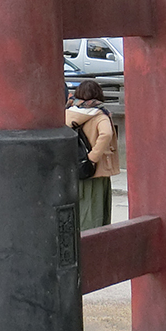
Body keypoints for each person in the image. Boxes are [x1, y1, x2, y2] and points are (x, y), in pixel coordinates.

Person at [67, 79, 118, 229]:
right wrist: (92, 158)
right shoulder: (100, 115)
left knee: (79, 209)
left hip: (75, 166)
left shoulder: (68, 112)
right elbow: (106, 134)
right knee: (96, 211)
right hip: (95, 169)